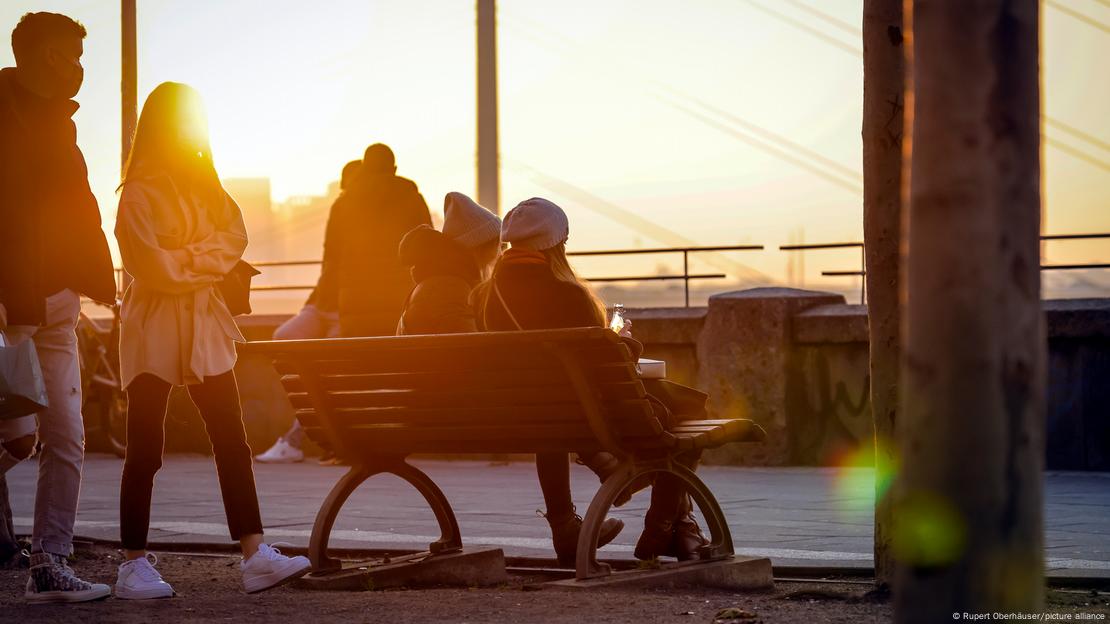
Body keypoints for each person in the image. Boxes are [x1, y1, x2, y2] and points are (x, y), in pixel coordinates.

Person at [113, 82, 310, 599]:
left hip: (204, 325)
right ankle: (132, 563)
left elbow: (234, 237)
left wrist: (184, 258)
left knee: (232, 441)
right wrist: (202, 259)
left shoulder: (207, 185)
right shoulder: (136, 193)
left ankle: (255, 554)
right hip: (153, 326)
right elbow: (148, 266)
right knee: (144, 448)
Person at [473, 198, 710, 563]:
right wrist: (625, 341)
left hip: (528, 414)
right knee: (692, 412)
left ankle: (569, 526)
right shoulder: (568, 294)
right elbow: (606, 368)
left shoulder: (484, 296)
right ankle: (662, 529)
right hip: (587, 414)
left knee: (551, 420)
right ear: (556, 245)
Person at [0, 12, 116, 603]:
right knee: (15, 440)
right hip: (7, 309)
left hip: (58, 306)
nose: (80, 69)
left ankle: (50, 563)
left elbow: (82, 209)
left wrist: (101, 284)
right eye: (75, 57)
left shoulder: (61, 125)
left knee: (66, 436)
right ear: (48, 56)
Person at [254, 159, 361, 465]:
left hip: (347, 310)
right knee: (284, 338)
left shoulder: (370, 217)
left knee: (329, 368)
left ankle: (300, 438)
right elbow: (329, 262)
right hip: (322, 304)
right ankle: (308, 432)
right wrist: (313, 303)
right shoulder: (340, 210)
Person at [334, 143, 431, 337]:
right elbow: (429, 249)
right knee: (398, 361)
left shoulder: (343, 203)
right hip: (401, 301)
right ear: (394, 169)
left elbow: (332, 257)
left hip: (355, 304)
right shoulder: (413, 198)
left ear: (364, 168)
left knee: (359, 362)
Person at [394, 192, 502, 335]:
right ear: (480, 249)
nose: (500, 254)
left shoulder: (445, 281)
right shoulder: (450, 289)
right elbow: (469, 349)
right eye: (499, 246)